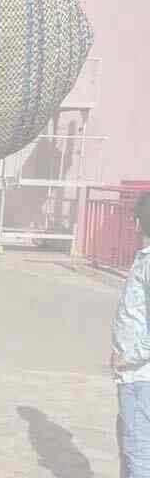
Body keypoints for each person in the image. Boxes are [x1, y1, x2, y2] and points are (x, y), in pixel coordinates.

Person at [112, 192, 150, 478]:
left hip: (140, 376)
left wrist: (130, 357)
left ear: (138, 222)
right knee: (131, 448)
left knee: (137, 453)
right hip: (134, 375)